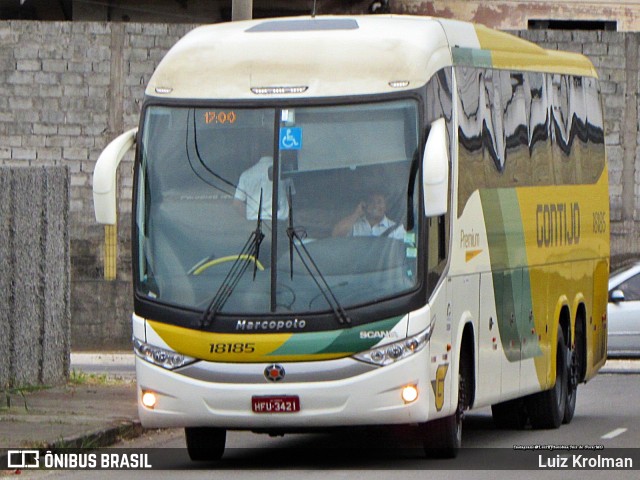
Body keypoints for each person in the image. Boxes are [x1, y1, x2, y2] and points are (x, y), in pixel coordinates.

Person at [233, 156, 294, 220]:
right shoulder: (284, 173)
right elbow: (291, 199)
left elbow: (237, 203)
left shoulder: (246, 175)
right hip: (280, 223)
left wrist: (250, 217)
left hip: (255, 224)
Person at [332, 192, 405, 239]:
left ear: (385, 206)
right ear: (365, 205)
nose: (376, 205)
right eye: (371, 202)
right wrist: (356, 213)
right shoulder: (355, 225)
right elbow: (336, 235)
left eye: (379, 202)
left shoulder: (396, 228)